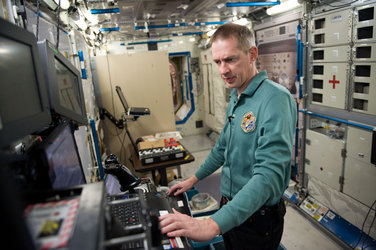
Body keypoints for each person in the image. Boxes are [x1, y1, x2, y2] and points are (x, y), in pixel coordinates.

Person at [159, 23, 297, 250]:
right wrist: (193, 180)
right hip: (229, 207)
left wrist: (212, 224)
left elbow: (269, 176)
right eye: (218, 62)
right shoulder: (237, 96)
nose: (223, 70)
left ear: (252, 54)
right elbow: (222, 148)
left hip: (256, 216)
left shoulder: (275, 99)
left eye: (230, 59)